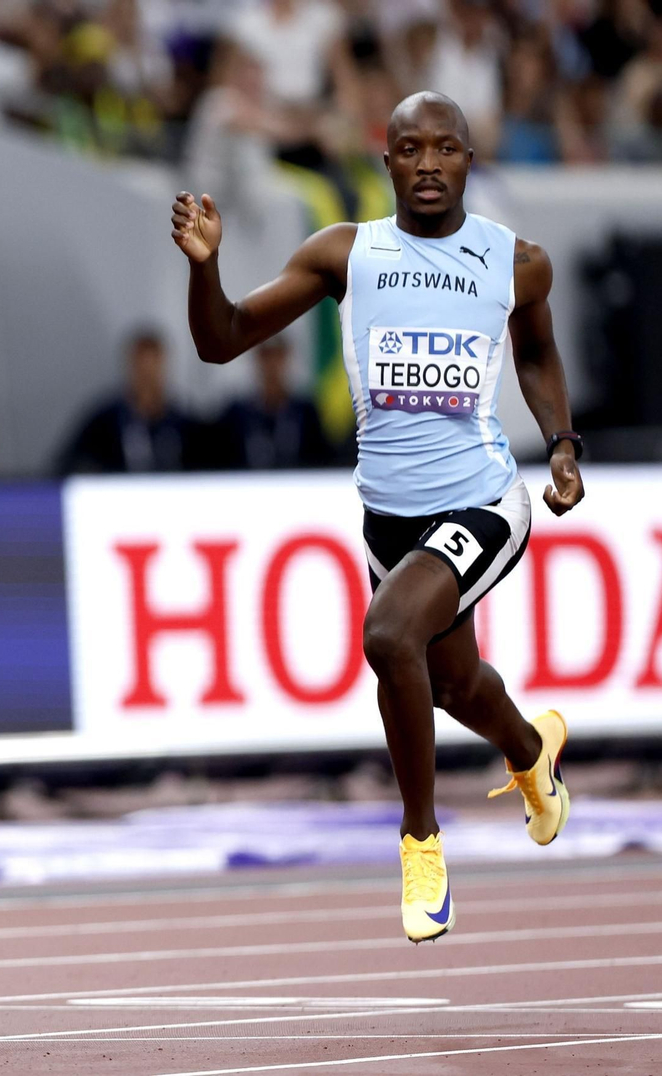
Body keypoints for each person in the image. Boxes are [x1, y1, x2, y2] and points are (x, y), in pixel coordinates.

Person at [170, 91, 584, 943]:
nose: (427, 164)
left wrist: (562, 445)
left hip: (483, 500)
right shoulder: (345, 255)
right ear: (384, 160)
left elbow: (539, 352)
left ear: (470, 160)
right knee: (451, 683)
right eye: (408, 149)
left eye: (445, 149)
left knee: (389, 635)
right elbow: (223, 340)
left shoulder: (516, 262)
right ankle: (530, 751)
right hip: (386, 516)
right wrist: (204, 267)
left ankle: (422, 842)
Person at [57, 327, 194, 474]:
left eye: (153, 369)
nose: (147, 378)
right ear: (130, 367)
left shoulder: (184, 424)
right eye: (141, 369)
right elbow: (68, 464)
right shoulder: (103, 424)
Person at [217, 335, 332, 469]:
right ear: (257, 360)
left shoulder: (306, 413)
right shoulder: (237, 416)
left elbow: (323, 461)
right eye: (266, 356)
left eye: (277, 356)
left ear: (286, 358)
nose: (271, 365)